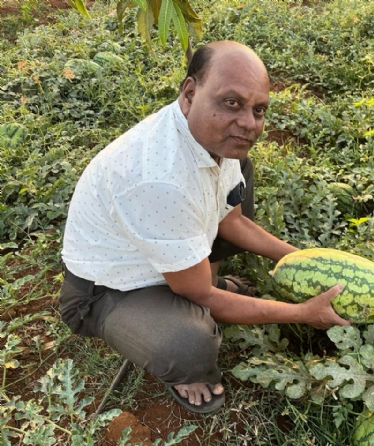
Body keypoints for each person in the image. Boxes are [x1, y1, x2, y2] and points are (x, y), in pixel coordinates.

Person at [58, 40, 351, 414]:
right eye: (231, 103)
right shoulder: (160, 178)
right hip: (102, 291)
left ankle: (198, 281)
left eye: (258, 109)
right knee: (190, 345)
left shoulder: (211, 139)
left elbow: (233, 221)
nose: (249, 123)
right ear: (190, 93)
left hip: (166, 256)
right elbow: (202, 297)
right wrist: (303, 313)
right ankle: (188, 368)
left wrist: (310, 260)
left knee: (239, 167)